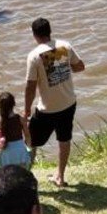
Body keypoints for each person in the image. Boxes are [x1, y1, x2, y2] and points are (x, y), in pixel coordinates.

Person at [24, 17, 84, 188]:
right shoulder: (65, 46)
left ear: (34, 35)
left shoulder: (34, 55)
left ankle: (25, 178)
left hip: (47, 109)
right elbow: (80, 66)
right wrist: (63, 67)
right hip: (69, 102)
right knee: (64, 139)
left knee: (30, 142)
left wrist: (27, 110)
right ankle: (60, 176)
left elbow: (30, 86)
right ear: (50, 31)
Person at [0, 91, 33, 168]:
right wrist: (29, 148)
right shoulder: (20, 119)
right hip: (20, 151)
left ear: (0, 106)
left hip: (6, 153)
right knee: (21, 176)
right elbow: (27, 136)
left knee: (8, 177)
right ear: (13, 104)